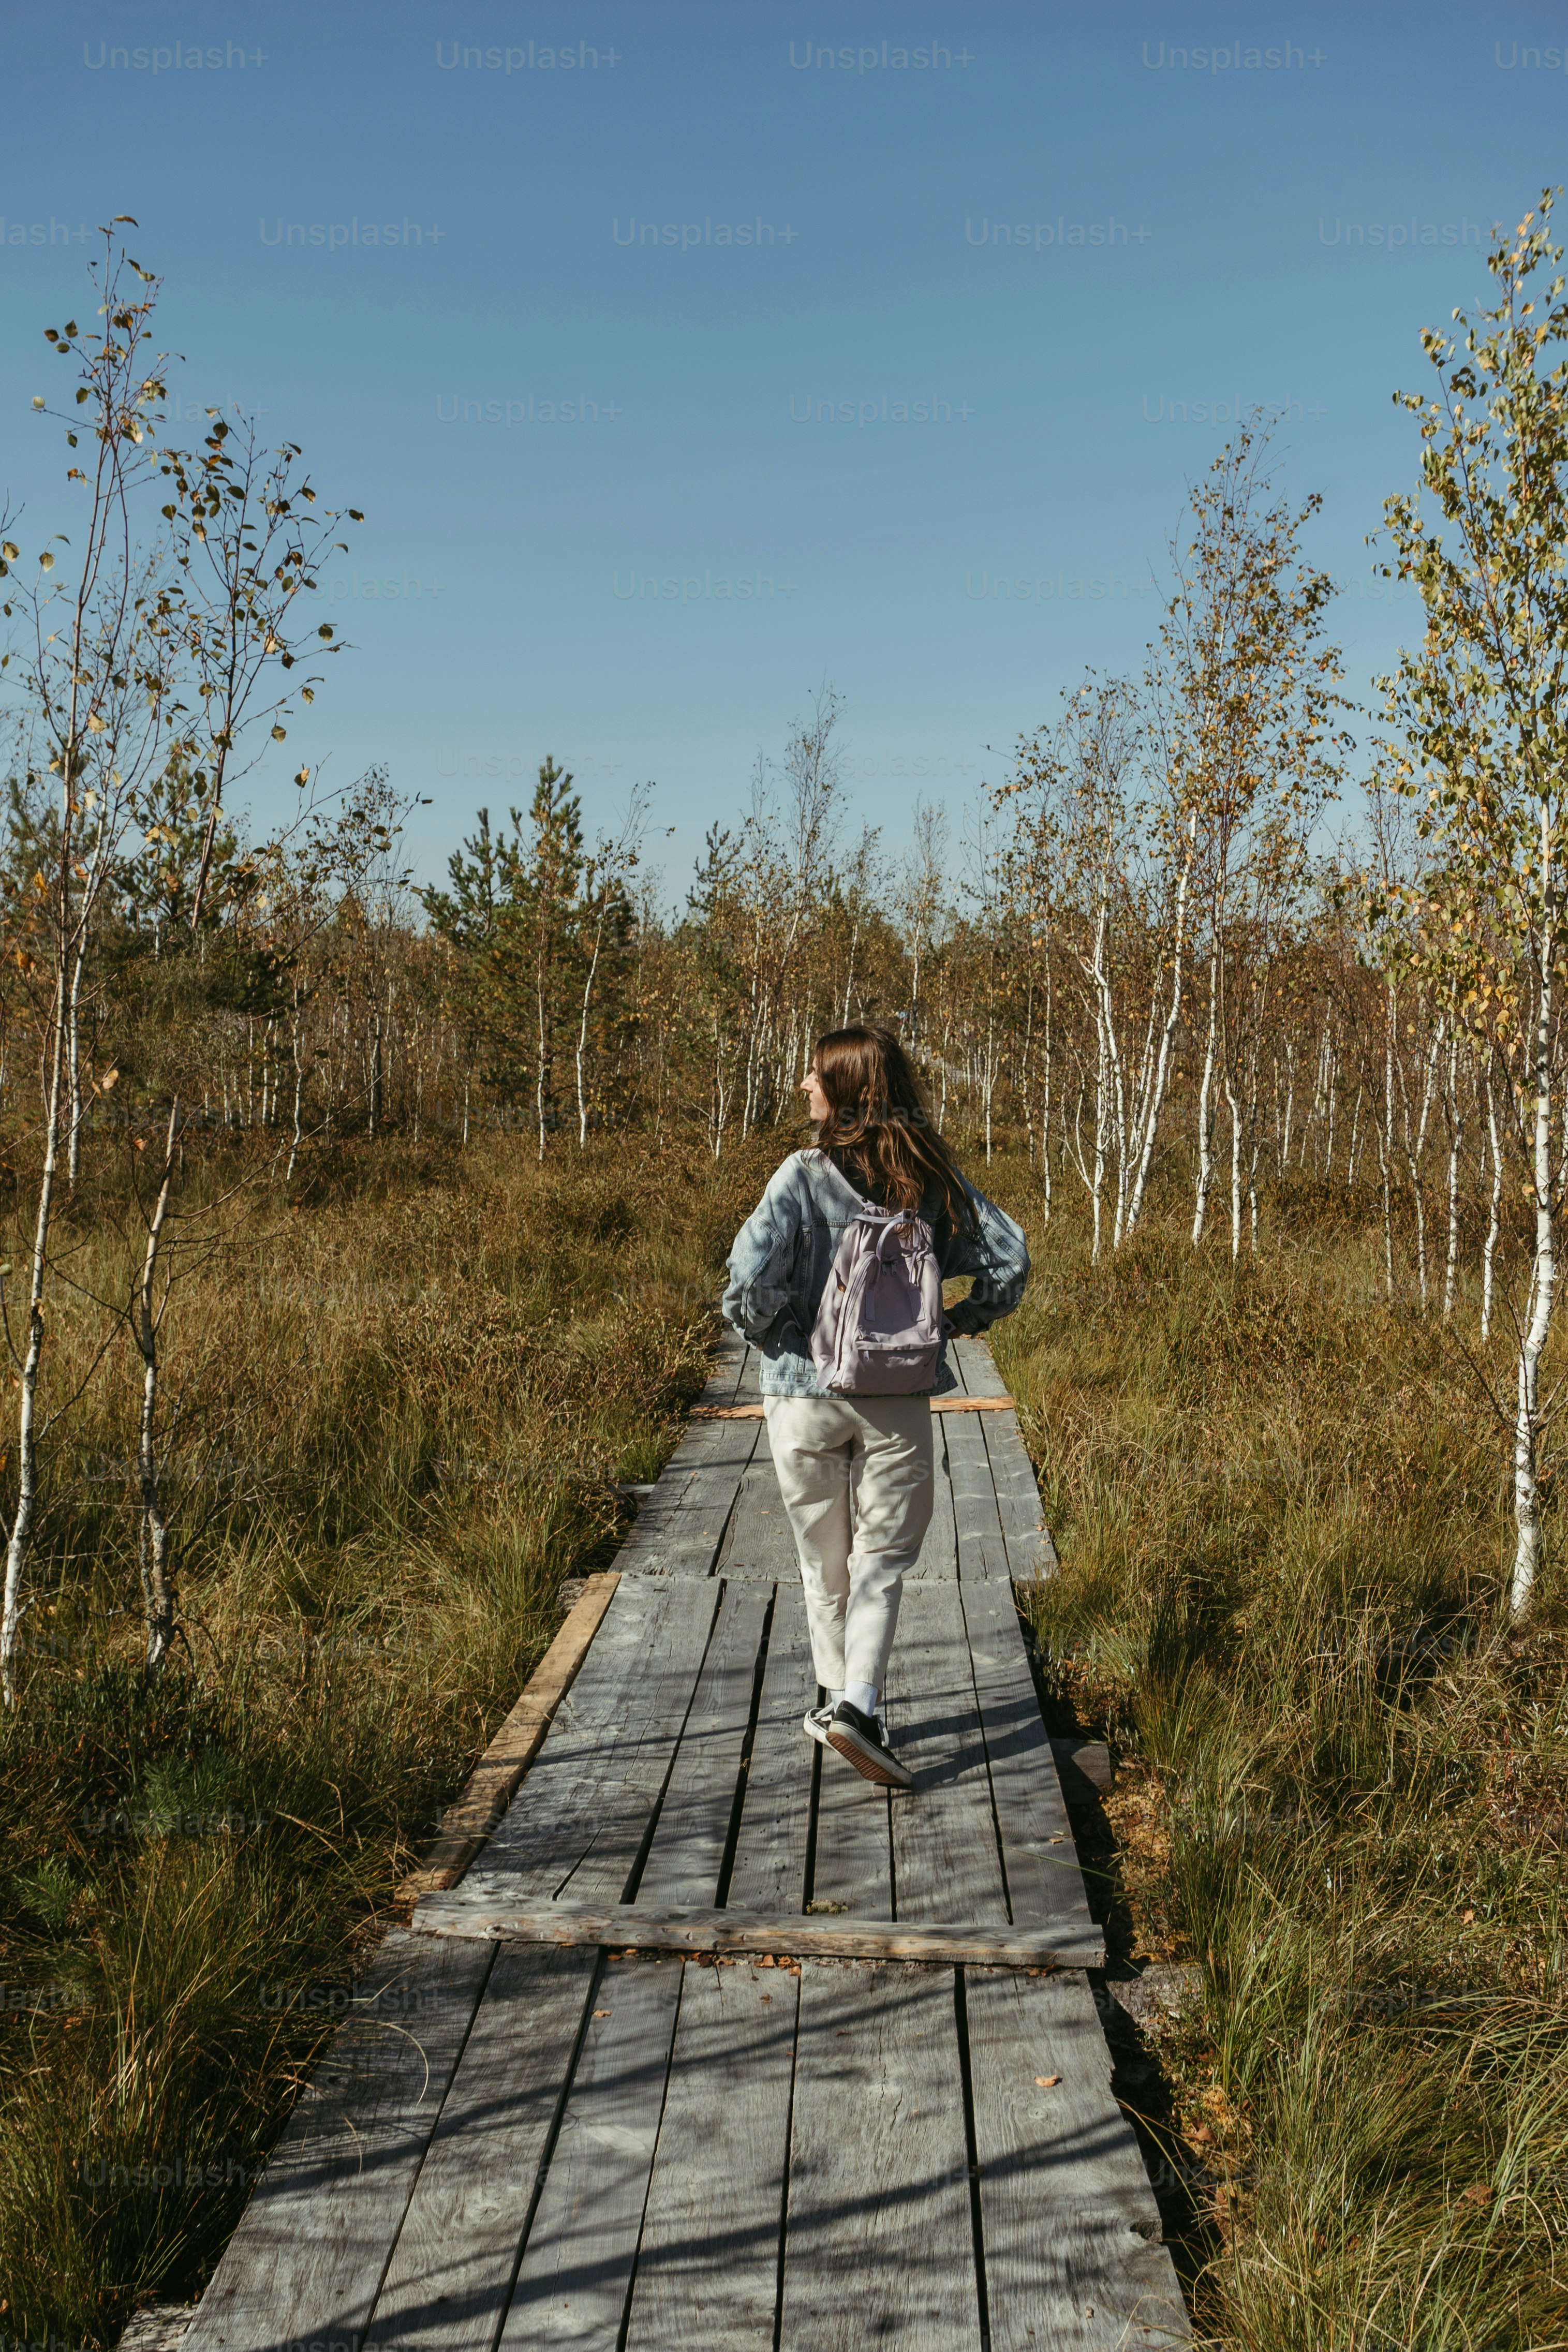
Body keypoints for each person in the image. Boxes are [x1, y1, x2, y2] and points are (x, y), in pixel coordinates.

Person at [720, 1024, 1030, 1792]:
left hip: (802, 1395)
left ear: (845, 1088)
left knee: (820, 1558)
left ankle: (835, 1700)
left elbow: (742, 1287)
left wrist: (788, 1339)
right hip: (896, 1396)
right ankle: (856, 1705)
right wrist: (960, 1323)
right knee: (882, 1560)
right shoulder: (927, 1178)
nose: (803, 1086)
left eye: (813, 1074)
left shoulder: (798, 1174)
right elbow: (1010, 1259)